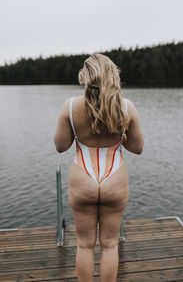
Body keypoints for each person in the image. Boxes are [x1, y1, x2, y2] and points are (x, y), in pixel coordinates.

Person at [54, 53, 144, 282]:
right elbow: (137, 147)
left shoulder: (70, 106)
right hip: (114, 178)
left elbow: (60, 146)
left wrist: (78, 133)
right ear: (113, 76)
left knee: (84, 245)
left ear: (85, 77)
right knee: (110, 244)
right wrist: (120, 138)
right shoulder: (127, 107)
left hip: (82, 177)